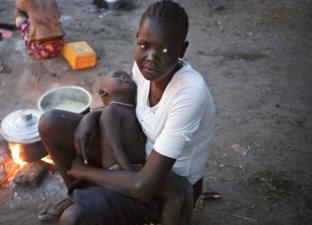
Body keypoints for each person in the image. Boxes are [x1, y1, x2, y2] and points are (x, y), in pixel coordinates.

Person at [38, 1, 216, 224]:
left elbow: (143, 187)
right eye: (144, 45)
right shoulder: (143, 69)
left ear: (182, 49)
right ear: (137, 39)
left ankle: (84, 194)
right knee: (51, 123)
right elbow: (124, 108)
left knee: (73, 220)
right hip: (137, 158)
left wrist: (83, 171)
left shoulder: (189, 93)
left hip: (166, 185)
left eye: (165, 50)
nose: (151, 57)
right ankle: (81, 195)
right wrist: (92, 117)